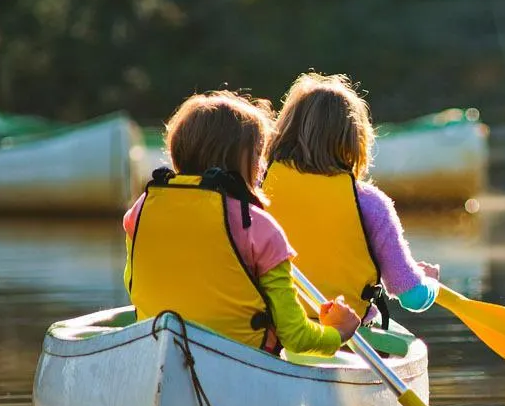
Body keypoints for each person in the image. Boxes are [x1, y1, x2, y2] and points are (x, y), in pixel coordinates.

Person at [122, 89, 360, 356]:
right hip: (241, 359)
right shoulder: (259, 228)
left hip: (158, 349)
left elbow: (133, 283)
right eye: (258, 154)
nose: (261, 166)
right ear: (240, 158)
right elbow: (296, 337)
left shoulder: (140, 210)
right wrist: (338, 332)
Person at [261, 73, 440, 329]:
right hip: (348, 335)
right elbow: (413, 297)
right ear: (355, 140)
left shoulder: (255, 192)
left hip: (273, 329)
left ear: (285, 130)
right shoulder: (371, 204)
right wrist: (430, 282)